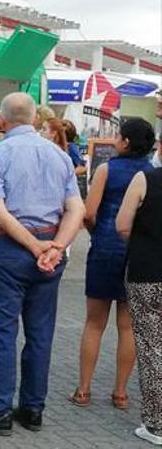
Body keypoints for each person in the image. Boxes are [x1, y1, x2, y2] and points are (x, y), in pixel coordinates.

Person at [0, 92, 84, 435]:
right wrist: (56, 246)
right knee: (40, 333)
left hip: (8, 250)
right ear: (35, 120)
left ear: (1, 119)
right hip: (50, 251)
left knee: (1, 330)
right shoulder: (60, 156)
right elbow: (76, 210)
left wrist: (32, 244)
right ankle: (32, 408)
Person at [70, 118, 155, 410]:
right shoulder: (152, 174)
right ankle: (120, 393)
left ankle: (83, 390)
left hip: (105, 250)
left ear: (126, 141)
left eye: (118, 135)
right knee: (128, 327)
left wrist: (97, 233)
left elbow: (89, 212)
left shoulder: (106, 170)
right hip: (137, 255)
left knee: (94, 323)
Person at [116, 151, 162, 446]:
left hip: (148, 271)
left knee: (152, 348)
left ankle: (156, 424)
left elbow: (122, 224)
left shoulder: (145, 178)